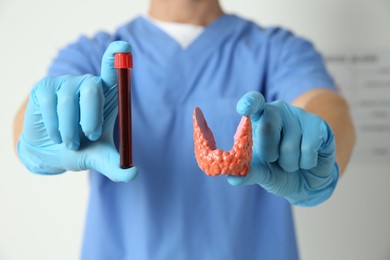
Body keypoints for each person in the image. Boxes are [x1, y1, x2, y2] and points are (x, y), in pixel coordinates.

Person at [13, 0, 356, 259]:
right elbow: (34, 110)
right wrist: (37, 136)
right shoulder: (95, 52)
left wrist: (320, 146)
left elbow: (323, 103)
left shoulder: (278, 49)